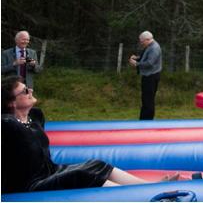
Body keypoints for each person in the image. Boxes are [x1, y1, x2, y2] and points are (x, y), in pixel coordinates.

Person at [4, 76, 171, 193]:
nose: (30, 90)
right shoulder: (7, 125)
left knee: (97, 164)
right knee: (80, 175)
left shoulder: (35, 117)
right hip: (31, 184)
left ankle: (149, 187)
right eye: (25, 90)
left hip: (51, 170)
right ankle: (144, 198)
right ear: (12, 102)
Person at [127, 31, 162, 121]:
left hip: (151, 77)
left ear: (147, 39)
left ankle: (147, 121)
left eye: (142, 41)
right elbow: (147, 57)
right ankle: (143, 120)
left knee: (148, 100)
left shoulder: (154, 48)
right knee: (145, 99)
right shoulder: (149, 46)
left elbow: (149, 63)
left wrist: (136, 64)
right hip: (148, 76)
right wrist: (138, 57)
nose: (141, 43)